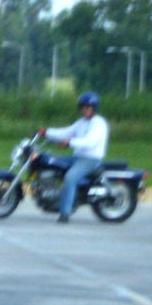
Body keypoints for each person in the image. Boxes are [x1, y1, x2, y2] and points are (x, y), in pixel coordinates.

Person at [39, 90, 109, 223]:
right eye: (83, 106)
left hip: (91, 159)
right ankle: (50, 196)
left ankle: (65, 213)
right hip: (77, 157)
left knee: (70, 177)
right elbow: (65, 132)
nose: (85, 109)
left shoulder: (99, 123)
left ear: (94, 108)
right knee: (51, 161)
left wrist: (69, 142)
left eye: (88, 107)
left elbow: (90, 141)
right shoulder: (81, 122)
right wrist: (46, 132)